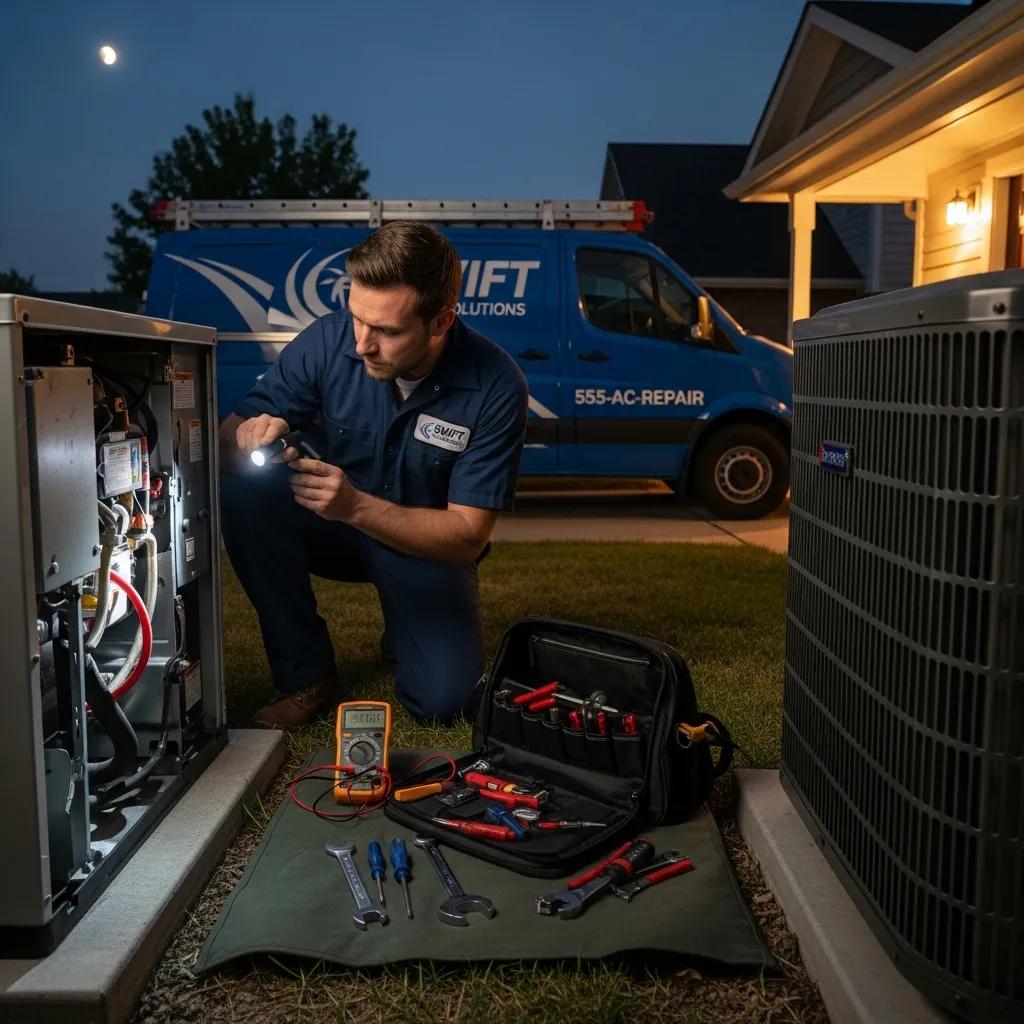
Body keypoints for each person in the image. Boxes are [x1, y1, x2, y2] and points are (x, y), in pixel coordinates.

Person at [218, 222, 528, 728]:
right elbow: (225, 439)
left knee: (444, 704)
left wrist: (356, 506)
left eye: (386, 331)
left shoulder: (496, 385)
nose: (362, 343)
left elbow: (467, 536)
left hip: (423, 547)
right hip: (333, 530)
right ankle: (306, 677)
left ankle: (407, 626)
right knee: (244, 496)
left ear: (441, 322)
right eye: (358, 318)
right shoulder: (328, 339)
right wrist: (249, 436)